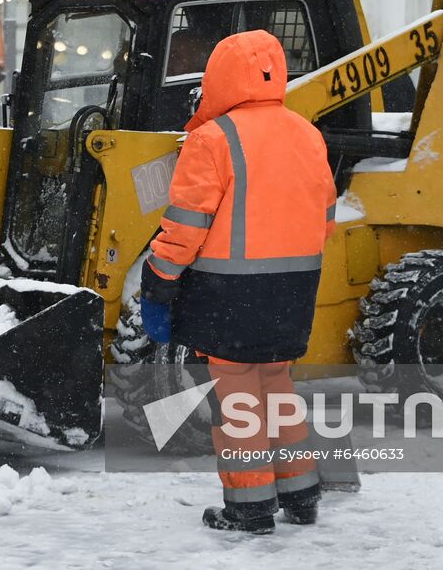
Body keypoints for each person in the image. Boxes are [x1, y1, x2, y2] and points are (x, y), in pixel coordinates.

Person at [140, 30, 337, 535]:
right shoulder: (307, 134)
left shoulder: (213, 138)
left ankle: (249, 507)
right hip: (295, 288)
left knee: (238, 398)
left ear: (219, 78)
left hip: (230, 294)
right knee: (277, 386)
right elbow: (326, 216)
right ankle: (301, 495)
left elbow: (187, 225)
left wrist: (160, 276)